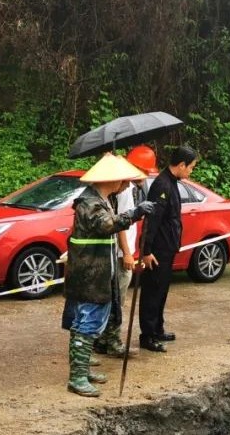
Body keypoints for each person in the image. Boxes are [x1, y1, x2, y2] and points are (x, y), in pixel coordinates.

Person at [64, 153, 154, 397]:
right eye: (122, 179)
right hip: (90, 273)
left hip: (97, 271)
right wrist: (135, 213)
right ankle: (77, 376)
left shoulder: (102, 200)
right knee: (86, 322)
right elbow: (107, 225)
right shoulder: (90, 203)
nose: (125, 184)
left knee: (89, 322)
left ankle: (82, 369)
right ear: (111, 180)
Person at [94, 145, 156, 356]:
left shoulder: (130, 187)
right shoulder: (125, 190)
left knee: (115, 298)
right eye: (145, 171)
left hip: (121, 250)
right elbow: (119, 223)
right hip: (120, 253)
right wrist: (127, 253)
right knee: (117, 299)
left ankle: (103, 339)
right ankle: (111, 341)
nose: (146, 176)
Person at [139, 145, 198, 353]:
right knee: (152, 292)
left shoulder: (173, 183)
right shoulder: (162, 185)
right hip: (157, 250)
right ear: (181, 165)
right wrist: (146, 251)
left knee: (162, 290)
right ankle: (147, 335)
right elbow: (152, 220)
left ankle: (157, 328)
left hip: (168, 247)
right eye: (190, 167)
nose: (191, 171)